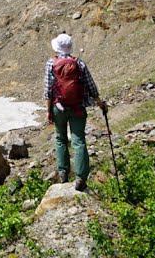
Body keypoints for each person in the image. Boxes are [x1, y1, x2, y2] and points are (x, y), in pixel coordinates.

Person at [44, 33, 105, 191]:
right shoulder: (79, 63)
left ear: (57, 48)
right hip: (78, 107)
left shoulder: (51, 63)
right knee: (78, 141)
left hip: (58, 107)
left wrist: (48, 111)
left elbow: (48, 91)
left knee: (60, 139)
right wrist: (99, 103)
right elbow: (91, 86)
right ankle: (80, 179)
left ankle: (63, 173)